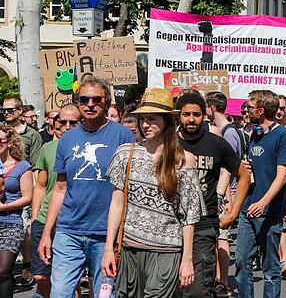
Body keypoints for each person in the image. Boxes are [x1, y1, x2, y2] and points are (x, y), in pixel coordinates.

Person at [101, 88, 205, 296]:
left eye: (152, 119)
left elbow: (189, 215)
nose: (145, 124)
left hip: (166, 251)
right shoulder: (125, 154)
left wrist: (187, 259)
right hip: (130, 249)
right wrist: (107, 249)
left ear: (167, 121)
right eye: (142, 119)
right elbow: (116, 203)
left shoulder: (184, 159)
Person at [38, 75, 135, 296]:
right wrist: (46, 233)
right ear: (78, 102)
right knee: (60, 293)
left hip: (105, 234)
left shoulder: (123, 136)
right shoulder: (67, 139)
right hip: (68, 231)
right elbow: (59, 189)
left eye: (96, 99)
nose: (90, 104)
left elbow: (126, 189)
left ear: (106, 101)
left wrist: (116, 239)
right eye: (84, 99)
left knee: (104, 294)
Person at [175, 92, 250, 298]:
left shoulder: (216, 144)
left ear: (204, 114)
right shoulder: (170, 143)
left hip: (204, 226)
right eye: (186, 114)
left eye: (196, 114)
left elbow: (243, 176)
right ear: (178, 116)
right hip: (171, 227)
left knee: (198, 290)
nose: (191, 119)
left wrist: (234, 212)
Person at [235, 90, 286, 298]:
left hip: (269, 212)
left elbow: (282, 175)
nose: (246, 110)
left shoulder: (283, 134)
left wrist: (263, 202)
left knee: (270, 268)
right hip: (246, 209)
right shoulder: (255, 133)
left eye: (250, 107)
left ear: (261, 110)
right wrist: (245, 168)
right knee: (242, 262)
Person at [30, 104, 80, 298]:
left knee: (68, 278)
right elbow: (41, 186)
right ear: (56, 123)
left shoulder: (85, 147)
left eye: (73, 123)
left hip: (70, 220)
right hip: (44, 218)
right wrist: (35, 219)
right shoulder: (47, 148)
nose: (67, 126)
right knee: (41, 276)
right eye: (63, 122)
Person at [0, 124, 33, 297]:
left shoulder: (22, 166)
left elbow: (27, 197)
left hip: (11, 222)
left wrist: (5, 206)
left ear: (10, 143)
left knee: (4, 270)